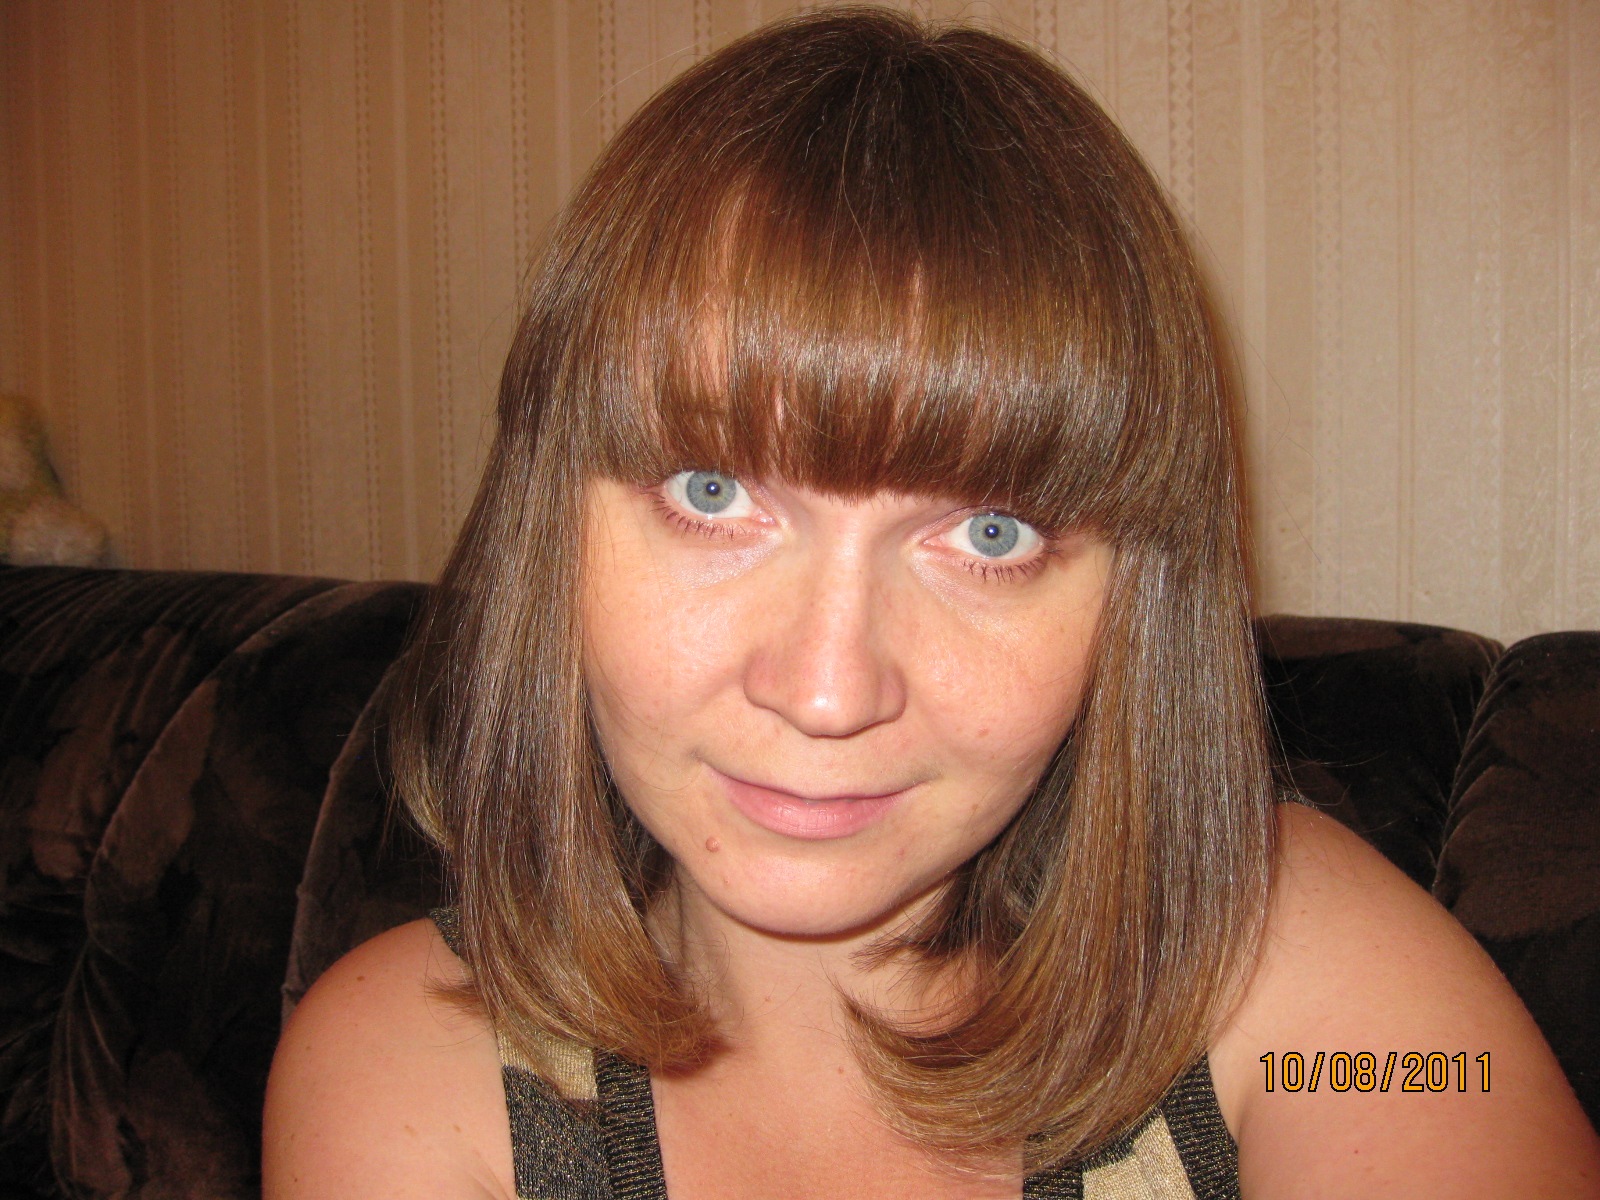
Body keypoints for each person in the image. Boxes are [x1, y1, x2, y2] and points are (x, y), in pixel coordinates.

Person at [262, 8, 1600, 1197]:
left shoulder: (1299, 994)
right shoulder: (409, 1083)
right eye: (713, 494)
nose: (827, 690)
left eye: (989, 533)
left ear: (1136, 602)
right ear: (548, 532)